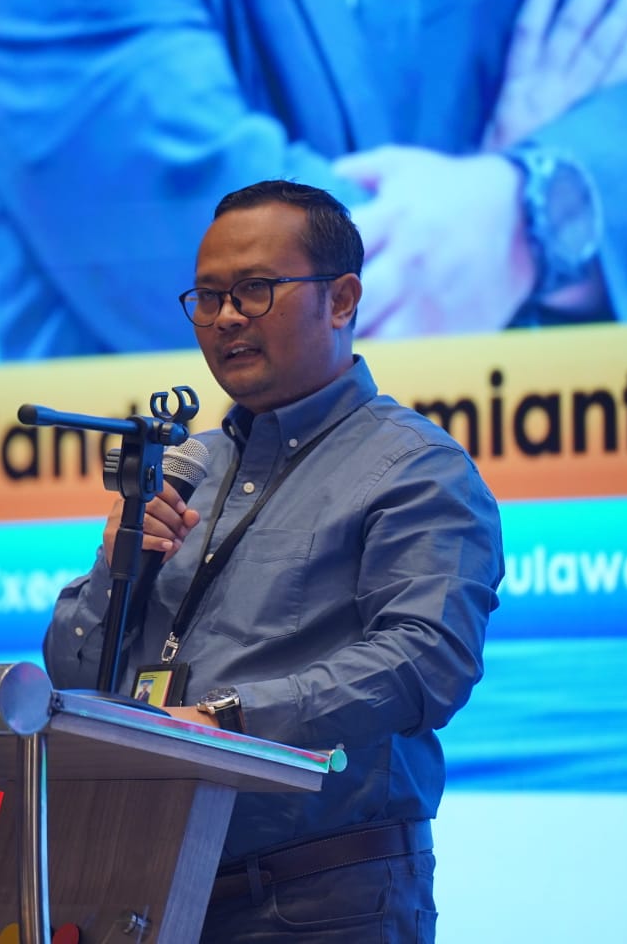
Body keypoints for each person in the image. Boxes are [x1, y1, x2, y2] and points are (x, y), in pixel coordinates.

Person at [43, 180, 504, 941]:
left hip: (316, 901)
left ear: (342, 300)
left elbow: (428, 662)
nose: (226, 317)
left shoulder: (416, 470)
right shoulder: (188, 468)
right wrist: (115, 565)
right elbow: (72, 673)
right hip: (138, 887)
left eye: (255, 290)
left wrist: (226, 722)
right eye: (209, 297)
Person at [0, 0, 627, 357]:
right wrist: (472, 252)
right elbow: (239, 264)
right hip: (182, 587)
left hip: (478, 580)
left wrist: (518, 210)